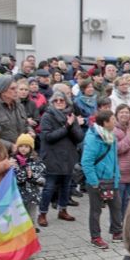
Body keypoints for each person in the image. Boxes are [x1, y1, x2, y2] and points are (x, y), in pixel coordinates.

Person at [36, 92, 83, 227]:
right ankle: (42, 213)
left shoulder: (71, 116)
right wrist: (66, 127)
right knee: (49, 187)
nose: (59, 102)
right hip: (52, 157)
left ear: (66, 102)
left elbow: (79, 137)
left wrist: (71, 125)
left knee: (66, 186)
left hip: (68, 156)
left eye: (61, 100)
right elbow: (48, 137)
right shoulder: (47, 116)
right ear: (52, 102)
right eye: (56, 100)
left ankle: (63, 210)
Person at [81, 110, 122, 249]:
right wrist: (94, 183)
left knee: (116, 206)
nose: (115, 121)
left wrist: (117, 177)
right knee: (96, 210)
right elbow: (86, 162)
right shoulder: (93, 138)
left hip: (112, 179)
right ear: (105, 123)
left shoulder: (112, 136)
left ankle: (117, 232)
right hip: (97, 181)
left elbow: (115, 159)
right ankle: (96, 237)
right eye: (113, 119)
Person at [11, 133, 45, 231]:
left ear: (31, 148)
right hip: (19, 192)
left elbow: (40, 175)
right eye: (21, 146)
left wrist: (32, 176)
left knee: (32, 211)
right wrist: (27, 173)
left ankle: (32, 227)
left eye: (26, 146)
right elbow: (18, 177)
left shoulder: (36, 160)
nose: (23, 149)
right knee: (21, 211)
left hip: (33, 192)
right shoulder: (14, 160)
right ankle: (22, 229)